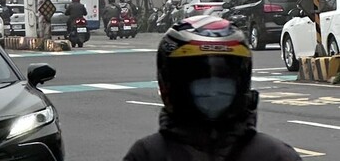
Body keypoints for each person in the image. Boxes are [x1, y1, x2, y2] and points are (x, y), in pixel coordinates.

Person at [122, 14, 301, 160]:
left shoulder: (275, 157)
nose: (213, 89)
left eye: (223, 77)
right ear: (170, 84)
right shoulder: (147, 156)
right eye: (198, 77)